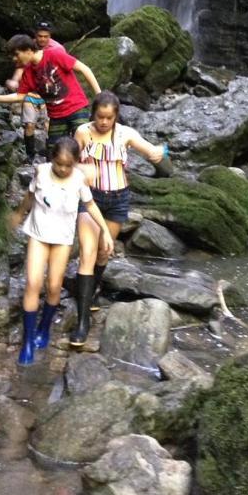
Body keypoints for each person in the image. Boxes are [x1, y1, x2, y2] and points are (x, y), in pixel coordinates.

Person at [69, 90, 173, 347]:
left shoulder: (125, 134)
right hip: (89, 198)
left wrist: (160, 153)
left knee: (104, 252)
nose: (104, 122)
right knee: (88, 254)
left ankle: (92, 290)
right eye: (100, 117)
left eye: (109, 118)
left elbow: (150, 150)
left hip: (117, 200)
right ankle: (83, 322)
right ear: (93, 114)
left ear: (116, 117)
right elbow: (69, 161)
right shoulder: (83, 132)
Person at [12, 137, 114, 365]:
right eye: (59, 164)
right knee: (33, 283)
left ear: (76, 163)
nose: (63, 169)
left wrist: (105, 231)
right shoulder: (41, 172)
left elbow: (90, 205)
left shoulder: (79, 179)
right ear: (52, 159)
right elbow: (29, 197)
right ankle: (28, 341)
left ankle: (44, 328)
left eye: (68, 165)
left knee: (54, 286)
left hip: (62, 240)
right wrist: (19, 214)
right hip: (38, 235)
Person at [0, 34, 101, 150]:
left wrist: (100, 96)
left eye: (16, 54)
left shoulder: (54, 55)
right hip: (56, 116)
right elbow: (20, 96)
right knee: (55, 151)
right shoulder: (28, 72)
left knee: (85, 146)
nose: (14, 59)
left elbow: (84, 69)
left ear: (28, 50)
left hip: (77, 108)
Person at [5, 22, 66, 162]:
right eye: (40, 36)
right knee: (29, 124)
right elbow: (21, 66)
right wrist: (15, 80)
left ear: (50, 37)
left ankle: (53, 156)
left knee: (49, 125)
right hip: (31, 92)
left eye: (46, 37)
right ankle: (30, 154)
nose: (42, 40)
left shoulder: (57, 49)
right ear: (35, 35)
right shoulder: (28, 47)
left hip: (50, 95)